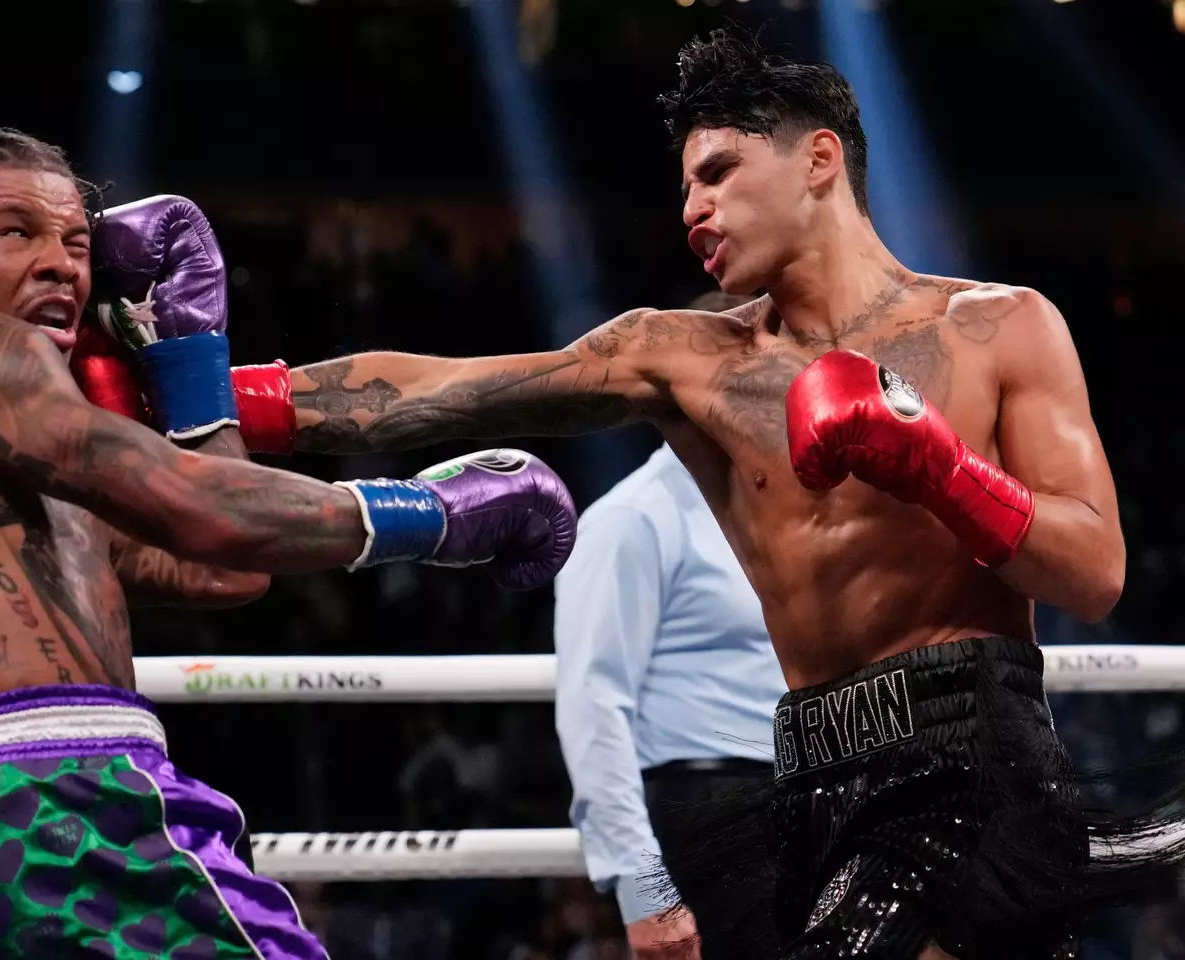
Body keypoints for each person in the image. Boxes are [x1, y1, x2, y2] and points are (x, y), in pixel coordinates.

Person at [210, 27, 1185, 959]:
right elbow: (435, 395)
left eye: (717, 172)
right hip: (802, 780)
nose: (691, 211)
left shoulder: (1000, 328)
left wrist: (940, 467)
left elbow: (1094, 571)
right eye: (684, 188)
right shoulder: (687, 361)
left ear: (818, 160)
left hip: (971, 760)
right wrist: (201, 398)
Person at [0, 113, 578, 958]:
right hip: (54, 806)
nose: (59, 264)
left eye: (78, 242)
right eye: (14, 230)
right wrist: (436, 514)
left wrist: (189, 354)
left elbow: (221, 568)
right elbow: (203, 505)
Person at [554, 422, 785, 960]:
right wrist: (645, 892)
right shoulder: (631, 518)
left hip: (808, 807)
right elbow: (592, 707)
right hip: (704, 811)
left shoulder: (787, 519)